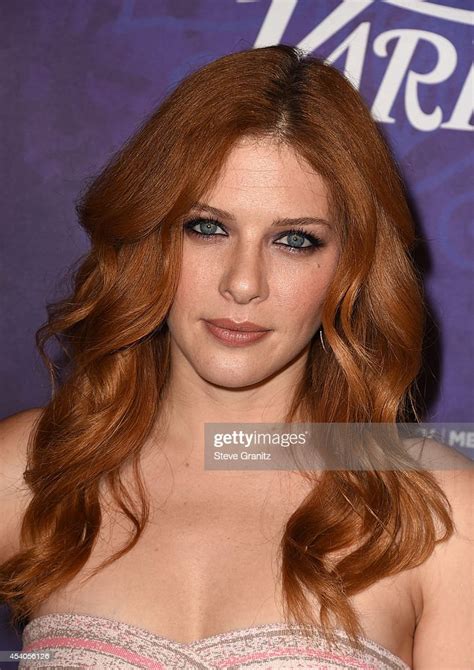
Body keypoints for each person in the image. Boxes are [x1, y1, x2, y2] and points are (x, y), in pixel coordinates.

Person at [0, 44, 472, 669]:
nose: (243, 283)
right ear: (150, 238)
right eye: (207, 227)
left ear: (350, 269)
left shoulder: (440, 513)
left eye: (294, 240)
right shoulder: (29, 469)